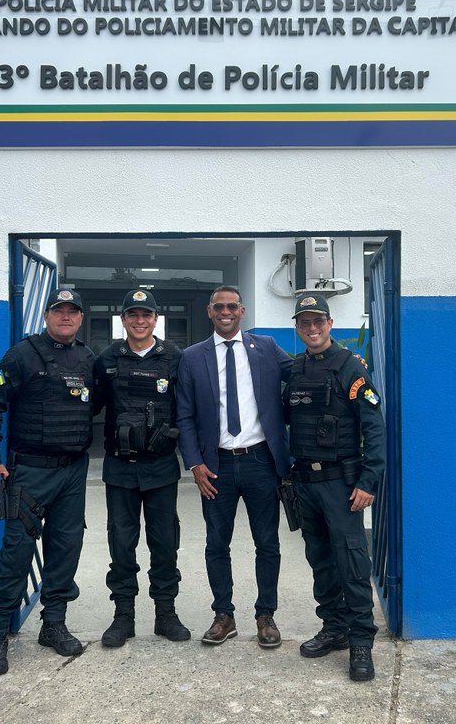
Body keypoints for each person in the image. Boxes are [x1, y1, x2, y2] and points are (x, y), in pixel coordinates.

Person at [0, 288, 95, 677]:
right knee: (17, 550)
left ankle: (53, 623)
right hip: (29, 471)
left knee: (66, 547)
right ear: (46, 316)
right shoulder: (21, 355)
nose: (65, 316)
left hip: (73, 471)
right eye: (58, 310)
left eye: (72, 311)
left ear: (80, 318)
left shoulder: (88, 359)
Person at [176, 285, 292, 648]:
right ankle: (223, 615)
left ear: (242, 311)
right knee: (216, 543)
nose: (225, 312)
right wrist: (194, 462)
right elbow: (184, 414)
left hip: (261, 461)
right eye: (218, 307)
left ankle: (265, 615)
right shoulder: (192, 357)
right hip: (216, 467)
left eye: (232, 306)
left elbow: (306, 370)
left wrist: (348, 359)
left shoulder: (267, 348)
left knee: (267, 543)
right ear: (209, 312)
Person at [284, 293, 386, 682]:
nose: (311, 329)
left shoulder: (350, 367)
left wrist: (368, 481)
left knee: (352, 563)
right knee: (320, 560)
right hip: (305, 484)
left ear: (329, 324)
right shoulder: (294, 369)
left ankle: (361, 641)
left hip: (342, 485)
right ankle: (334, 626)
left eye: (318, 321)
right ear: (297, 327)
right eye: (304, 323)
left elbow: (373, 428)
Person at [93, 289, 190, 648]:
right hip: (120, 468)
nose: (139, 321)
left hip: (161, 467)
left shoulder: (174, 357)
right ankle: (123, 616)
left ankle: (166, 613)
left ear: (155, 319)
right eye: (132, 315)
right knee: (121, 542)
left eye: (146, 315)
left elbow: (188, 408)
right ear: (123, 320)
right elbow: (89, 405)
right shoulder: (106, 358)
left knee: (165, 542)